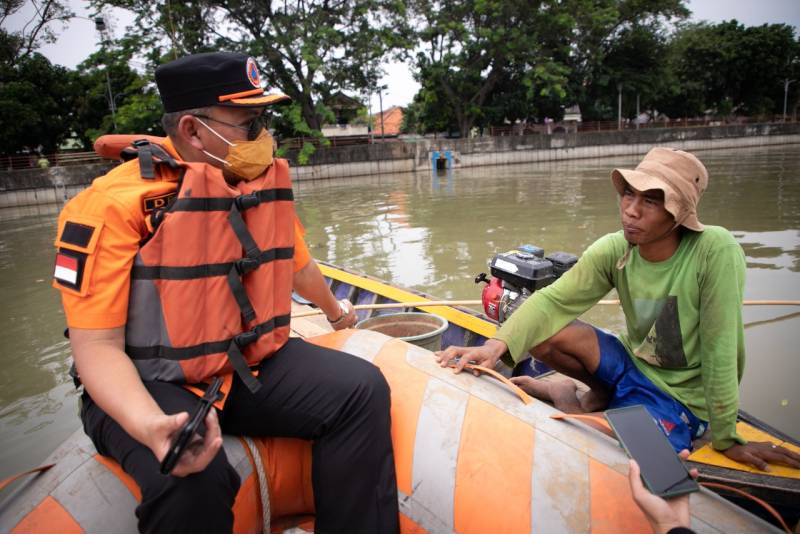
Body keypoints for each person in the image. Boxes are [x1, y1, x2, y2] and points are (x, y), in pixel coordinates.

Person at [52, 51, 399, 533]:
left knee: (360, 390)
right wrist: (151, 424)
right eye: (249, 124)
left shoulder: (253, 186)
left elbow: (298, 267)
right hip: (150, 381)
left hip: (241, 366)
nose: (263, 138)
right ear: (194, 130)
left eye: (263, 122)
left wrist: (336, 313)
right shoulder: (108, 208)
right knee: (190, 478)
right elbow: (95, 349)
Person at [437, 147, 800, 470]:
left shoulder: (714, 251)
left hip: (681, 398)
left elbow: (723, 349)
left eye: (651, 201)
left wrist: (726, 438)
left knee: (594, 439)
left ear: (678, 213)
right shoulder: (616, 248)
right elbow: (552, 300)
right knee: (543, 328)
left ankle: (571, 400)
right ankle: (599, 396)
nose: (631, 210)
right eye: (629, 194)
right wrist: (492, 347)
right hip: (631, 361)